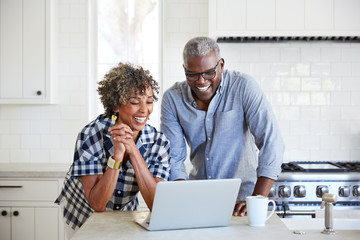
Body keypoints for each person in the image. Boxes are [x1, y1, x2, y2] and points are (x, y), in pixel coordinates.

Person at [160, 36, 284, 217]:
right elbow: (174, 158)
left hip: (243, 201)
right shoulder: (173, 99)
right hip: (198, 200)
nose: (201, 81)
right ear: (184, 69)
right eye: (192, 75)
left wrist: (257, 199)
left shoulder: (244, 87)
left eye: (209, 72)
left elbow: (272, 143)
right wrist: (182, 198)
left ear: (221, 65)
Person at [55, 62, 171, 237]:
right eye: (134, 102)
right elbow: (97, 203)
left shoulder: (158, 142)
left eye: (149, 101)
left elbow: (157, 204)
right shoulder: (92, 134)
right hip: (82, 215)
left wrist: (133, 151)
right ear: (116, 105)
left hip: (123, 215)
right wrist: (117, 156)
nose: (144, 110)